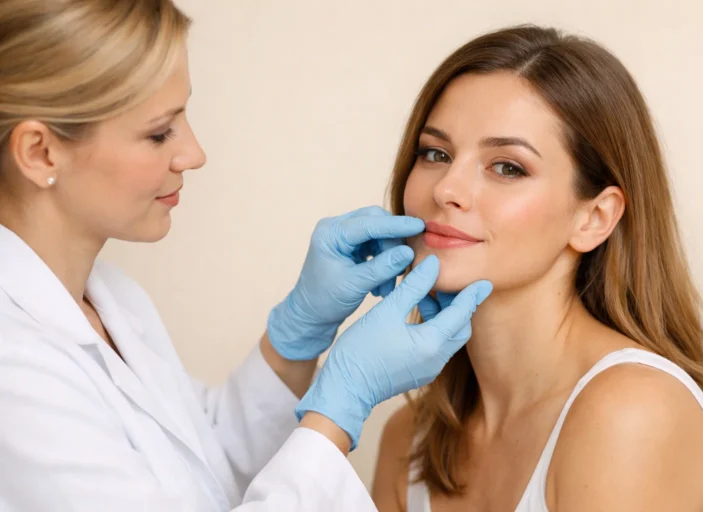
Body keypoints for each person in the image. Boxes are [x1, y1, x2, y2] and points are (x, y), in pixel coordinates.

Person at [0, 1, 493, 511]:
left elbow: (203, 467)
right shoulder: (12, 369)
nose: (193, 153)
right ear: (40, 152)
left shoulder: (110, 299)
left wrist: (297, 334)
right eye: (158, 132)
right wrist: (339, 409)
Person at [371, 25, 703, 512]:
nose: (446, 188)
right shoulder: (409, 442)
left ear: (593, 218)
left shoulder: (630, 412)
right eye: (436, 153)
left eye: (508, 167)